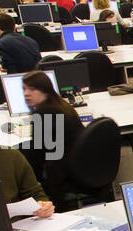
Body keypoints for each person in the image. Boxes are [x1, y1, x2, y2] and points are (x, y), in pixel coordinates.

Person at [17, 71, 84, 200]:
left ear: (45, 90)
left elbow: (37, 158)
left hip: (60, 177)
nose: (26, 94)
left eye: (32, 89)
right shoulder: (63, 106)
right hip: (75, 168)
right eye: (24, 89)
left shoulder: (43, 115)